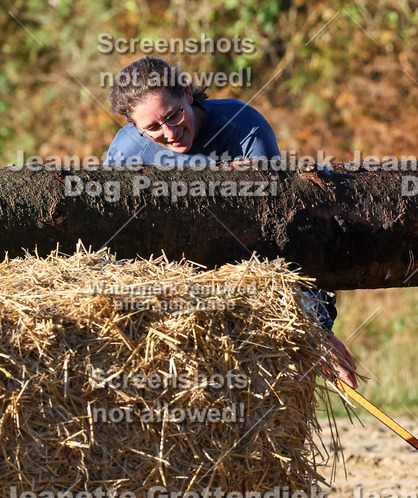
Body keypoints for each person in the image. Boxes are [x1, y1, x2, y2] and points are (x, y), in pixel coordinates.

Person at [105, 57, 357, 388]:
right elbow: (113, 243)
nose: (169, 132)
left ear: (186, 93)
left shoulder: (243, 127)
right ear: (135, 129)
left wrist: (316, 328)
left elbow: (277, 237)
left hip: (241, 276)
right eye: (152, 128)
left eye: (173, 115)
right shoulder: (125, 151)